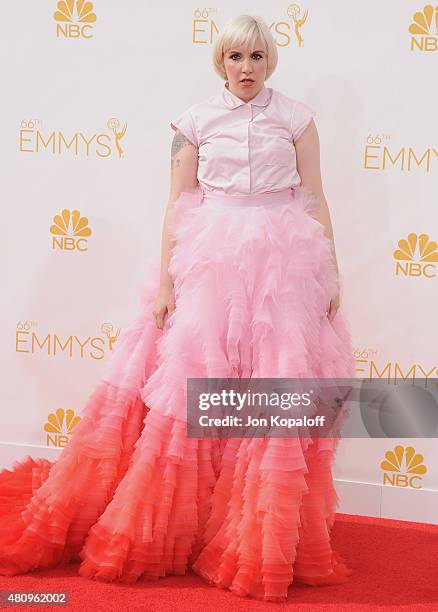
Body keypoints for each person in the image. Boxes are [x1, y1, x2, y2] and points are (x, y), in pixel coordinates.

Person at [0, 14, 354, 603]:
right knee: (194, 385)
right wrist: (166, 283)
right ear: (221, 62)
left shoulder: (297, 119)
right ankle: (177, 527)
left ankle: (248, 529)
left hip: (285, 263)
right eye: (236, 59)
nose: (247, 69)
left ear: (271, 62)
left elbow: (316, 196)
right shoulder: (194, 122)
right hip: (210, 259)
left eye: (257, 58)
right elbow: (177, 203)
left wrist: (331, 271)